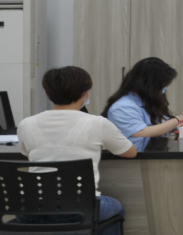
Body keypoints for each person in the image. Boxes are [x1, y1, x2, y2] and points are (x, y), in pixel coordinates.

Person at [14, 66, 134, 234]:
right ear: (85, 93)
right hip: (77, 209)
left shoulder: (26, 124)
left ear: (48, 93)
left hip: (30, 210)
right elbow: (130, 152)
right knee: (116, 208)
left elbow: (27, 154)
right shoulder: (97, 123)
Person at [103, 57, 183, 151]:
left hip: (145, 154)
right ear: (148, 84)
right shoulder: (123, 107)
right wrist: (179, 119)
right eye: (162, 85)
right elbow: (142, 132)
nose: (164, 89)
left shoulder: (145, 102)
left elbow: (165, 124)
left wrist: (179, 130)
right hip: (128, 158)